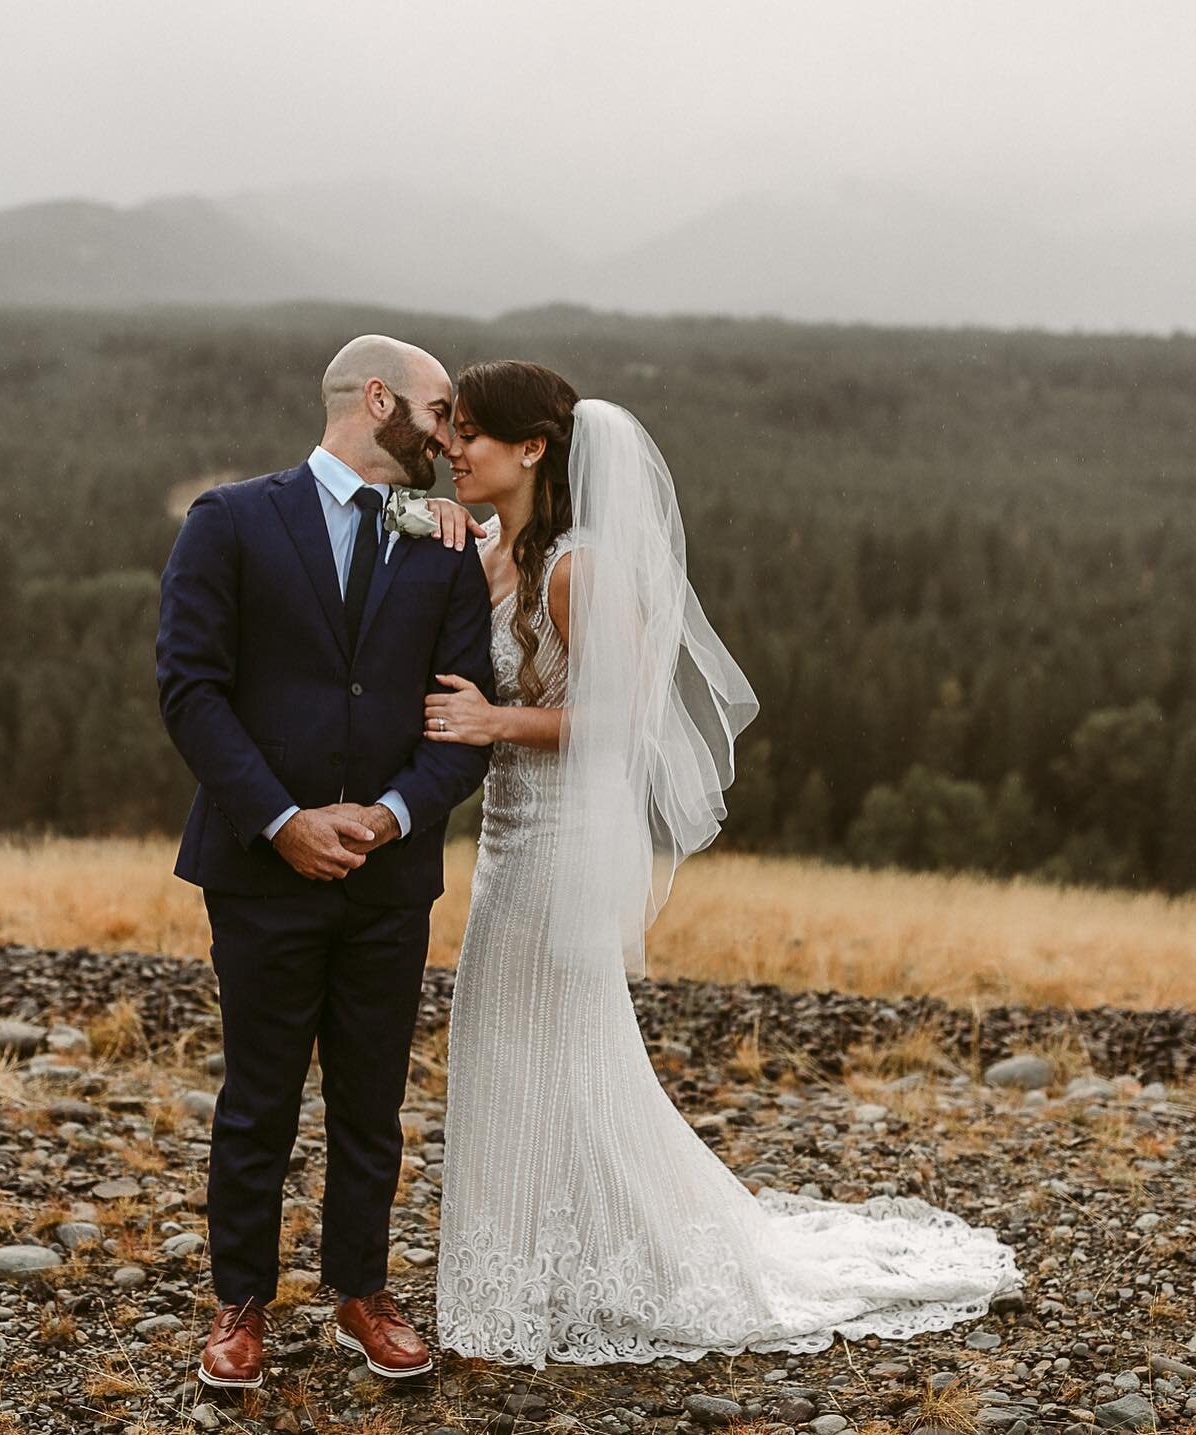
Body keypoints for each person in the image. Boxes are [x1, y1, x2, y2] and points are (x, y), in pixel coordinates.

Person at [418, 359, 1022, 1369]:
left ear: (532, 448)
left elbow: (622, 716)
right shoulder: (496, 546)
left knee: (552, 1052)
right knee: (522, 1051)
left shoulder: (581, 567)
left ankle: (554, 1281)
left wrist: (495, 719)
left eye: (472, 432)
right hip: (508, 840)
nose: (453, 449)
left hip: (558, 845)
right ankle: (532, 1273)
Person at [155, 335, 495, 1389]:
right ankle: (239, 1304)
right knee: (257, 1096)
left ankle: (361, 1292)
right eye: (442, 414)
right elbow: (190, 688)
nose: (452, 436)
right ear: (379, 400)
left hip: (390, 879)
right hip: (262, 870)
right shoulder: (231, 520)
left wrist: (393, 817)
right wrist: (283, 819)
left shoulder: (448, 547)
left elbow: (460, 719)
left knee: (371, 1098)